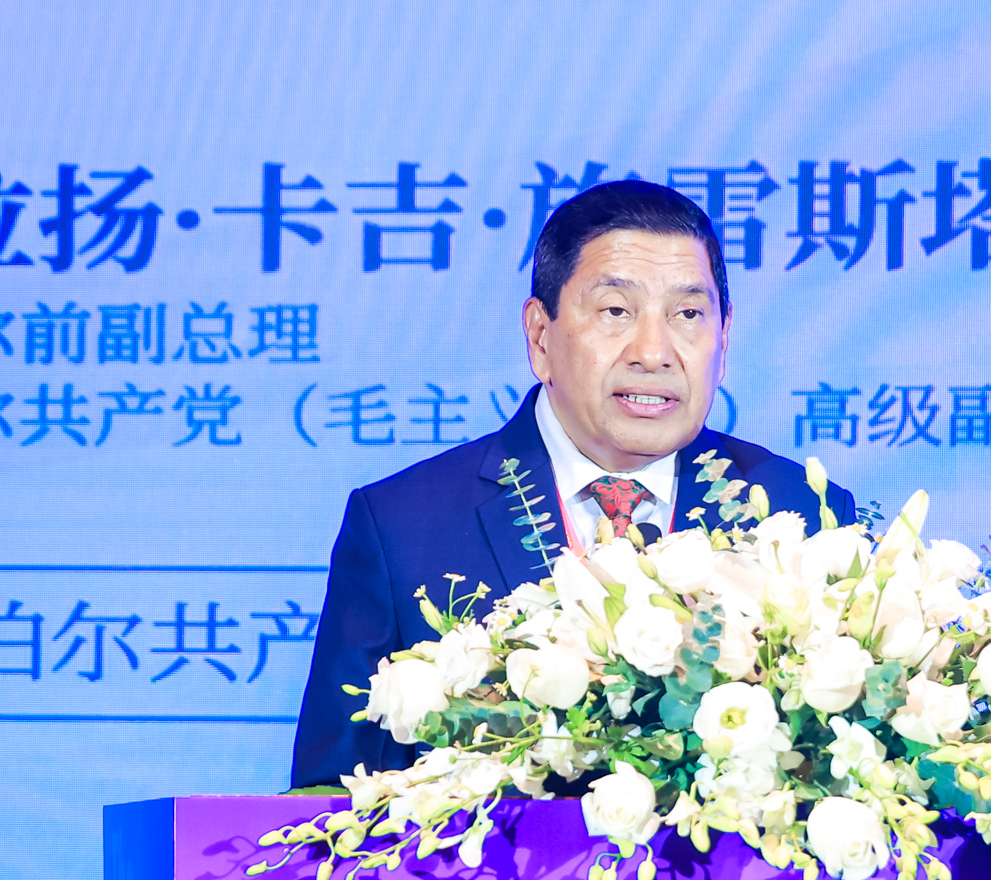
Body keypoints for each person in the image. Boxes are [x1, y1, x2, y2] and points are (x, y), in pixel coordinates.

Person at [290, 180, 857, 788]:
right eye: (616, 311)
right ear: (540, 336)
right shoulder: (402, 527)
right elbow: (328, 803)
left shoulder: (801, 514)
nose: (654, 352)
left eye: (688, 314)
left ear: (724, 335)